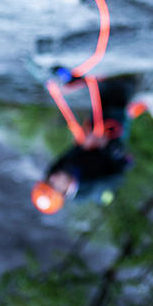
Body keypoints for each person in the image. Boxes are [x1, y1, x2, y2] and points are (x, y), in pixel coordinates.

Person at [31, 77, 136, 214]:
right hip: (111, 147)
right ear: (64, 192)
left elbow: (72, 151)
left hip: (93, 138)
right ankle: (125, 88)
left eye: (48, 181)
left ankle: (101, 84)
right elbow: (120, 173)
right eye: (53, 185)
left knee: (100, 105)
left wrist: (85, 144)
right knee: (117, 103)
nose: (53, 178)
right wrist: (107, 147)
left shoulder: (57, 169)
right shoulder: (91, 190)